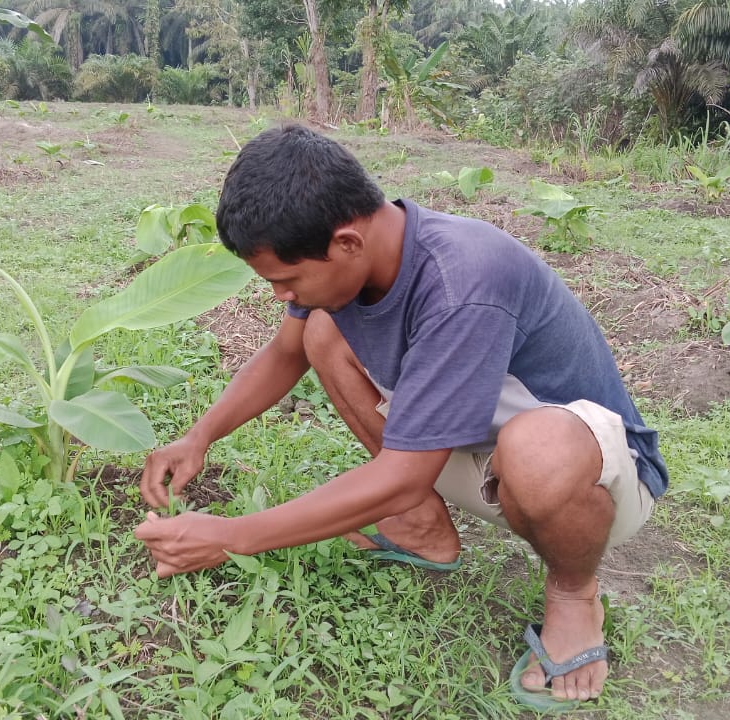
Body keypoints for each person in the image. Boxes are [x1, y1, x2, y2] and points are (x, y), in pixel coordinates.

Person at [133, 123, 668, 707]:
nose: (280, 295)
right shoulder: (351, 269)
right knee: (318, 331)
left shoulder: (463, 278)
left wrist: (232, 537)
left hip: (589, 481)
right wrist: (199, 437)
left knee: (535, 446)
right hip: (470, 453)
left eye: (285, 280)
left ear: (345, 243)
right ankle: (422, 530)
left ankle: (572, 593)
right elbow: (285, 354)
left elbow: (405, 472)